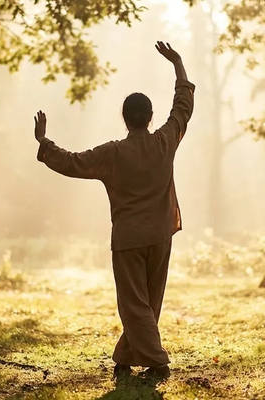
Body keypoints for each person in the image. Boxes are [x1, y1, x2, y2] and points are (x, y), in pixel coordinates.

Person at [33, 41, 195, 380]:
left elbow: (73, 162)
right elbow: (182, 107)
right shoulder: (165, 141)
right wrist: (178, 63)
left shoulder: (113, 153)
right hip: (160, 236)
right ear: (150, 118)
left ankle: (158, 363)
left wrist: (44, 142)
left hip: (128, 240)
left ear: (124, 119)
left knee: (135, 304)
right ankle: (125, 358)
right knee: (149, 302)